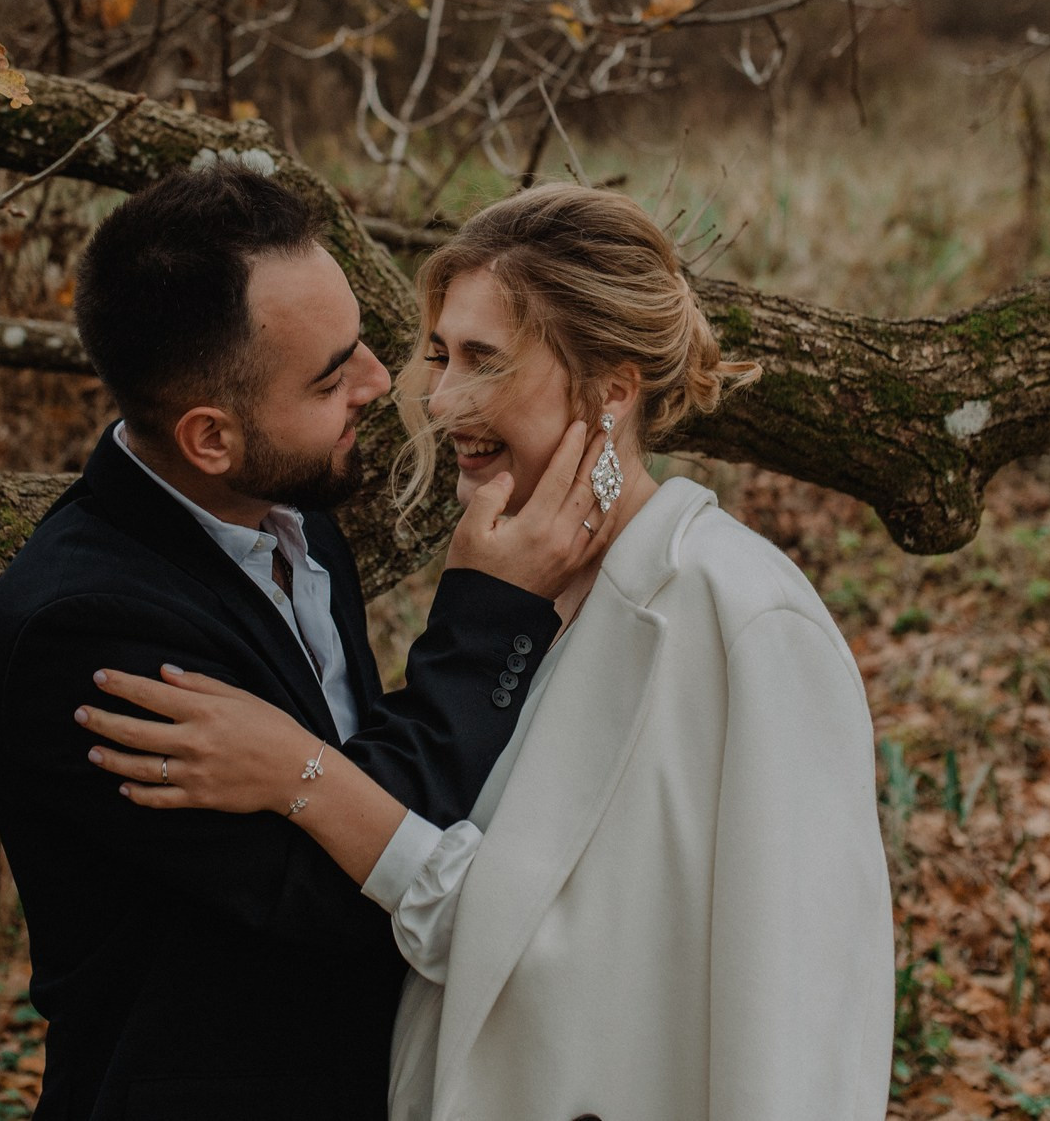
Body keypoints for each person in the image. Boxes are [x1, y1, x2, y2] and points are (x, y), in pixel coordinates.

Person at [77, 183, 894, 1121]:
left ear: (612, 388)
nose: (441, 397)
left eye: (485, 360)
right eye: (440, 354)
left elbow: (803, 1029)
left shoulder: (743, 618)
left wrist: (307, 776)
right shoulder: (518, 593)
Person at [0, 165, 608, 1121]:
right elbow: (347, 889)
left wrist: (296, 765)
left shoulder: (289, 518)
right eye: (331, 374)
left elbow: (358, 787)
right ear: (211, 438)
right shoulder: (86, 634)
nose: (380, 382)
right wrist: (487, 614)